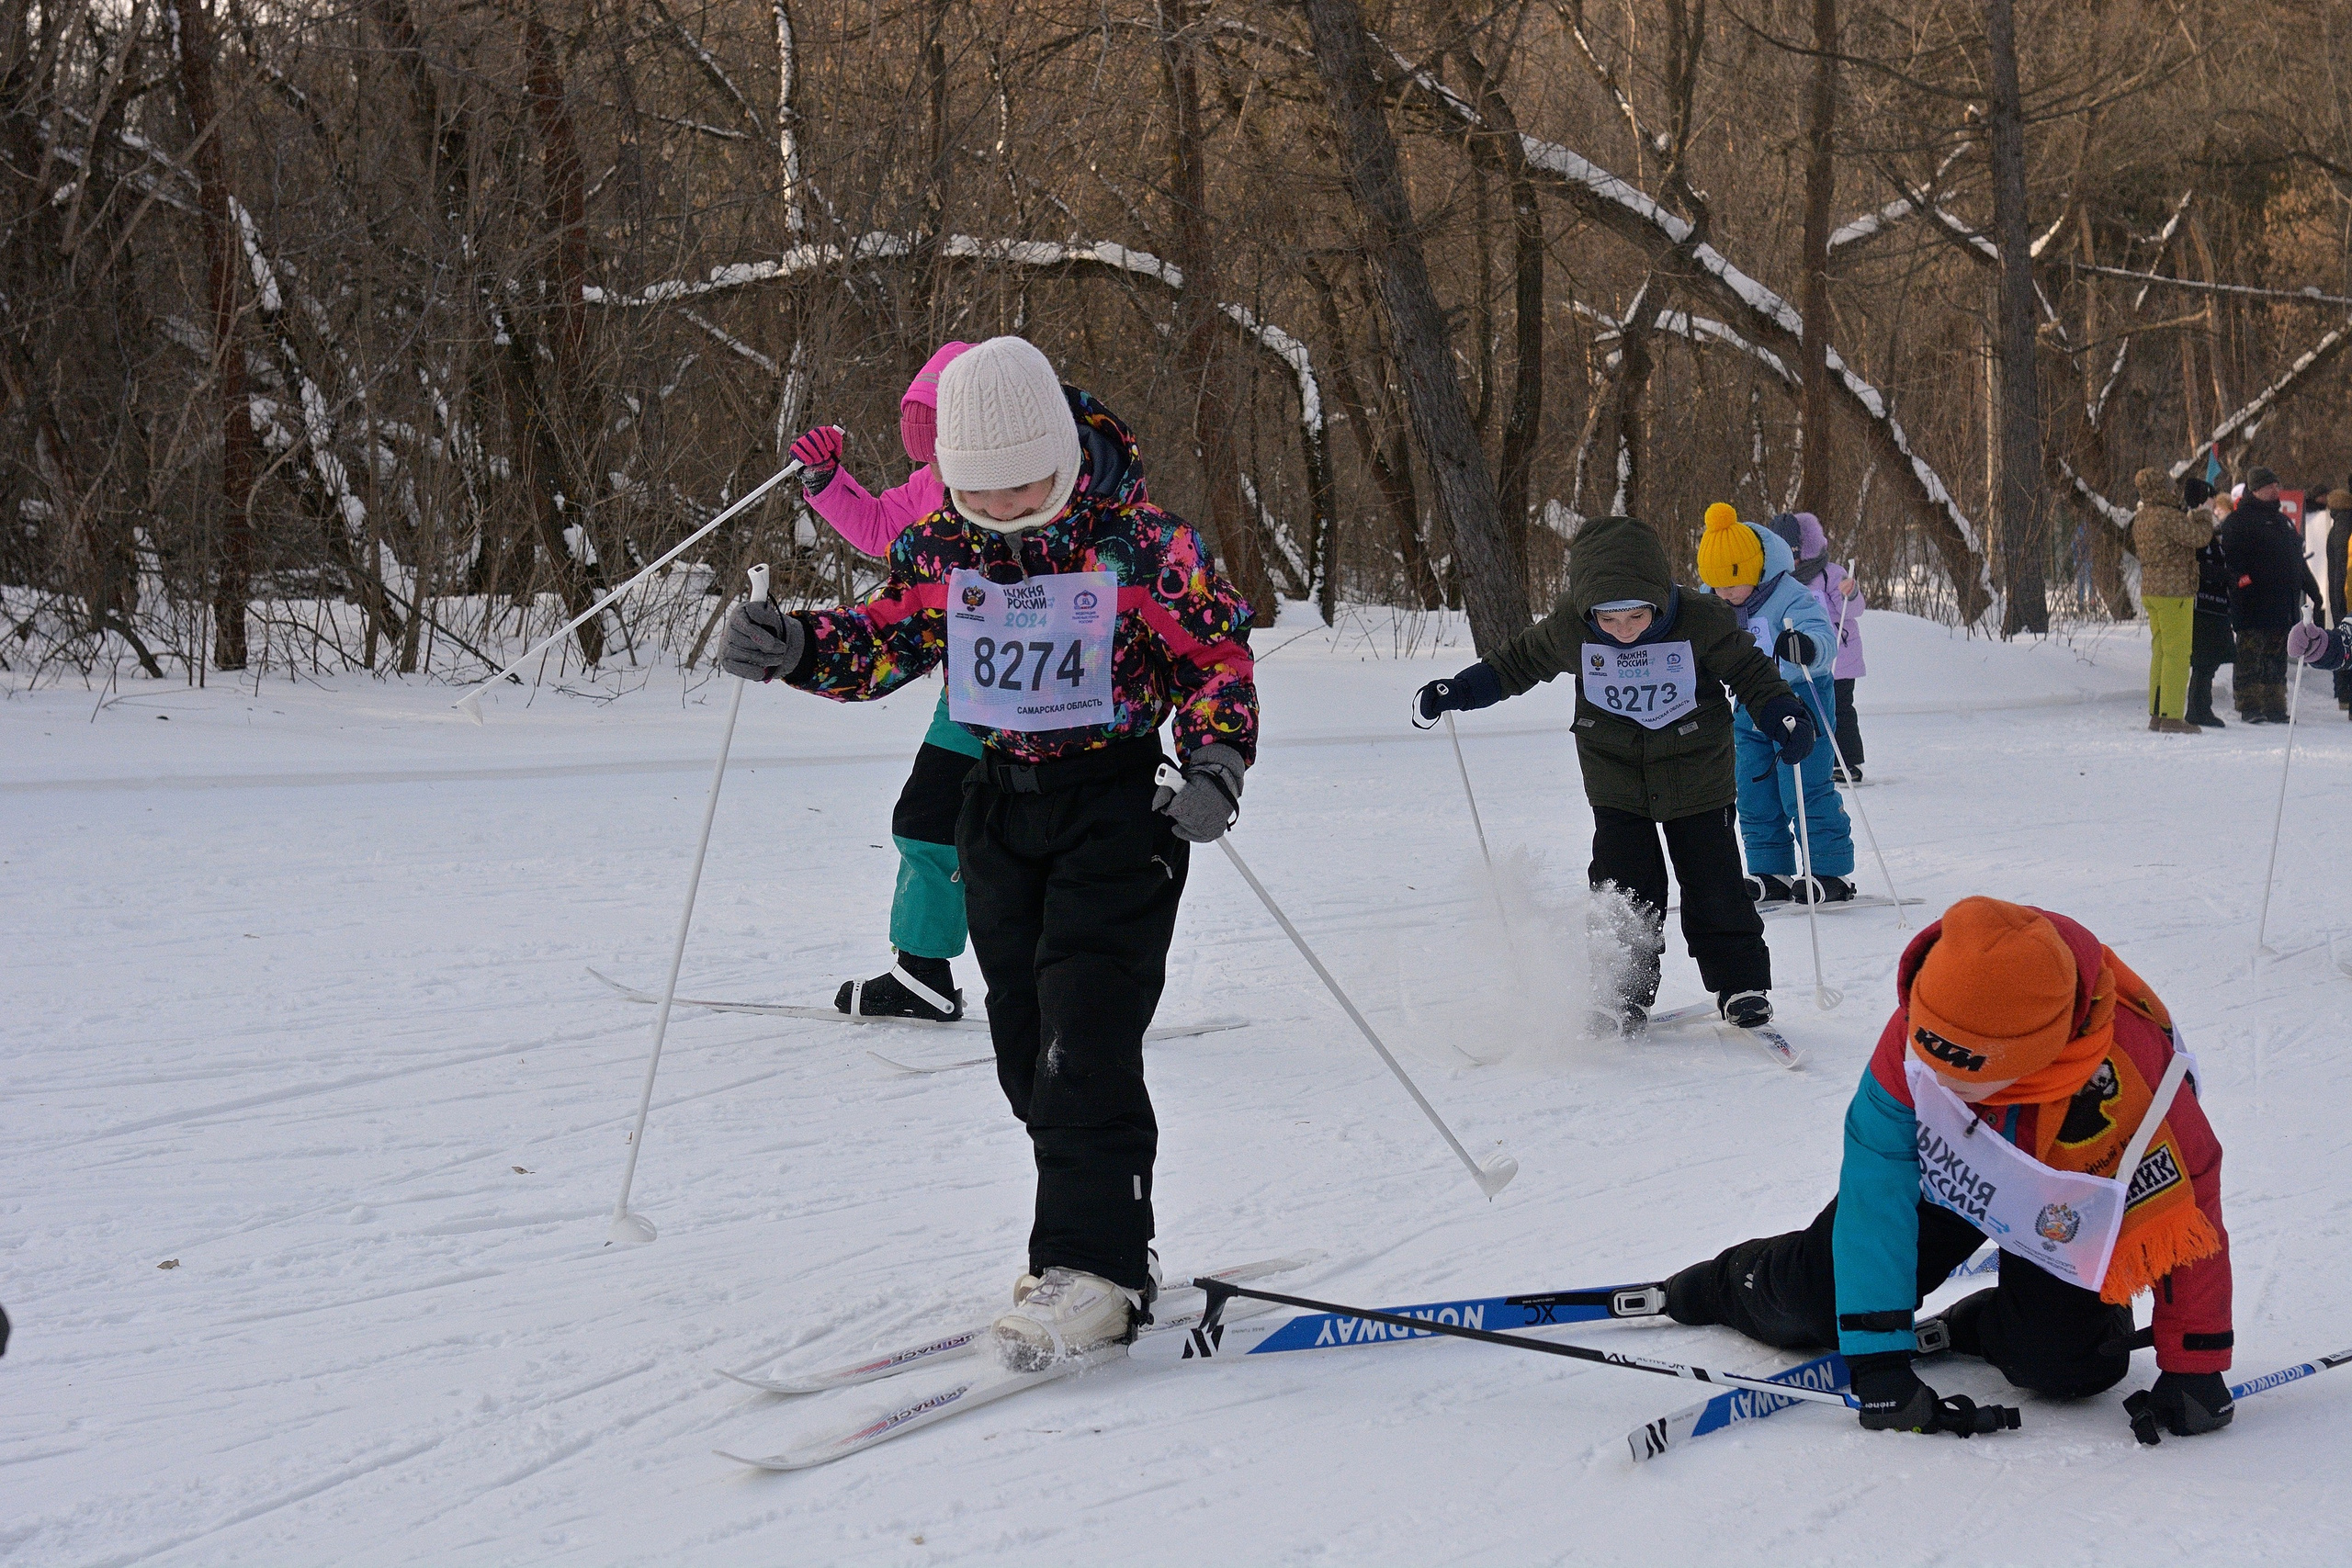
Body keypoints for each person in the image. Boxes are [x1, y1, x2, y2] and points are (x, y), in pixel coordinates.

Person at [721, 335, 1259, 1368]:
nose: (1008, 507)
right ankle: (1098, 1234)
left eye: (1030, 485)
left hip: (1116, 808)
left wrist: (1217, 758)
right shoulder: (940, 544)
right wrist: (792, 647)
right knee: (1026, 1049)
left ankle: (1092, 1267)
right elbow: (884, 638)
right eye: (983, 490)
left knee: (1085, 1037)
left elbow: (1212, 655)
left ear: (1065, 453)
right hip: (1000, 809)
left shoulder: (1139, 543)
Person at [1663, 897, 2235, 1442]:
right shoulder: (1927, 1019)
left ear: (2031, 1058)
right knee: (1814, 1300)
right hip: (1943, 1181)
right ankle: (1723, 1283)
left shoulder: (2133, 1068)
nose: (1938, 1084)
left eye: (1963, 1075)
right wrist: (1877, 1357)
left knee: (2068, 1369)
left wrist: (2196, 1363)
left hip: (2063, 1206)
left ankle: (1985, 1325)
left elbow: (2191, 1206)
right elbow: (1877, 1182)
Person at [1412, 515, 1809, 1034]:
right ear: (1588, 610)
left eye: (1636, 618)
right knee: (1624, 890)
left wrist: (1783, 710)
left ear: (1657, 601)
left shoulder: (1702, 620)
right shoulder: (1569, 630)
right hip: (1616, 776)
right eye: (1609, 621)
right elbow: (1514, 664)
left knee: (1714, 881)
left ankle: (1741, 985)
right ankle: (1621, 993)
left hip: (1696, 773)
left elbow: (1750, 672)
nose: (1624, 632)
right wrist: (1460, 690)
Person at [789, 342, 982, 1020]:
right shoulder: (930, 486)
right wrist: (823, 480)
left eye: (935, 423)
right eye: (918, 424)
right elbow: (877, 527)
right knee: (927, 818)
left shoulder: (1046, 479)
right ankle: (922, 973)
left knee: (1040, 832)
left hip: (1056, 701)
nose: (926, 443)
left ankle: (1077, 983)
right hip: (972, 692)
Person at [1697, 506, 1856, 904]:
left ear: (1754, 568)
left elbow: (1822, 635)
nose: (1725, 594)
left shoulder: (1791, 595)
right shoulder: (1714, 606)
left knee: (1803, 787)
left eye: (1732, 584)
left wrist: (1805, 646)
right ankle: (1771, 869)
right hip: (1748, 707)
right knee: (1753, 787)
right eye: (1716, 586)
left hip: (1802, 701)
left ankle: (1828, 870)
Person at [1766, 512, 1868, 781]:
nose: (1794, 559)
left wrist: (1852, 593)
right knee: (1808, 709)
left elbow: (1855, 610)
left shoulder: (1831, 574)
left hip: (1839, 659)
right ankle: (1812, 759)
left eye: (1797, 552)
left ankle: (1848, 762)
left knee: (1840, 709)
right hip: (1799, 660)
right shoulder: (1777, 580)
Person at [2218, 467, 2323, 724]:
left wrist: (2312, 590)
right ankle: (2249, 706)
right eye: (2270, 486)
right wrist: (2243, 584)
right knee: (2250, 656)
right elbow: (2232, 563)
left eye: (2277, 485)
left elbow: (2296, 559)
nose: (2276, 490)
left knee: (2276, 657)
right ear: (2255, 490)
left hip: (2282, 604)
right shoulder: (2238, 521)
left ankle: (2276, 706)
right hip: (2253, 603)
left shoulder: (2283, 521)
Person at [2130, 467, 2213, 736]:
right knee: (2178, 655)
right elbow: (2199, 538)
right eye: (2169, 485)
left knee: (2161, 652)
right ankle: (2173, 716)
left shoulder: (2142, 518)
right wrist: (2203, 514)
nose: (2173, 489)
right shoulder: (2166, 517)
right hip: (2174, 592)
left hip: (2152, 590)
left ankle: (2156, 713)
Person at [2184, 478, 2233, 728]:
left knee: (2210, 659)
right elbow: (2197, 563)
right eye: (2212, 498)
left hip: (2215, 601)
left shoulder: (2209, 526)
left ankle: (2202, 706)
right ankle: (2197, 708)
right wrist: (2223, 575)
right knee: (2204, 659)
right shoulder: (2194, 524)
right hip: (2202, 602)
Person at [2323, 486, 2352, 715]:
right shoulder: (2347, 527)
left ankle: (2343, 695)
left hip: (2337, 596)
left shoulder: (2335, 528)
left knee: (2343, 643)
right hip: (2347, 595)